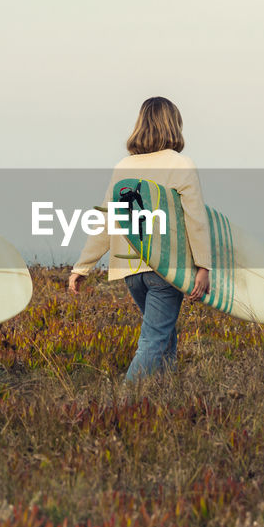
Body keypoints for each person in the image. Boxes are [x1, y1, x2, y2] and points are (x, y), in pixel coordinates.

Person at [68, 97, 211, 381]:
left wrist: (82, 267)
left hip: (131, 271)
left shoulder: (124, 166)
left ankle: (165, 395)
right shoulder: (181, 164)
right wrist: (203, 267)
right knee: (153, 340)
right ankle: (123, 405)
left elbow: (107, 221)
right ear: (174, 125)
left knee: (163, 334)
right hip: (165, 268)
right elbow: (196, 219)